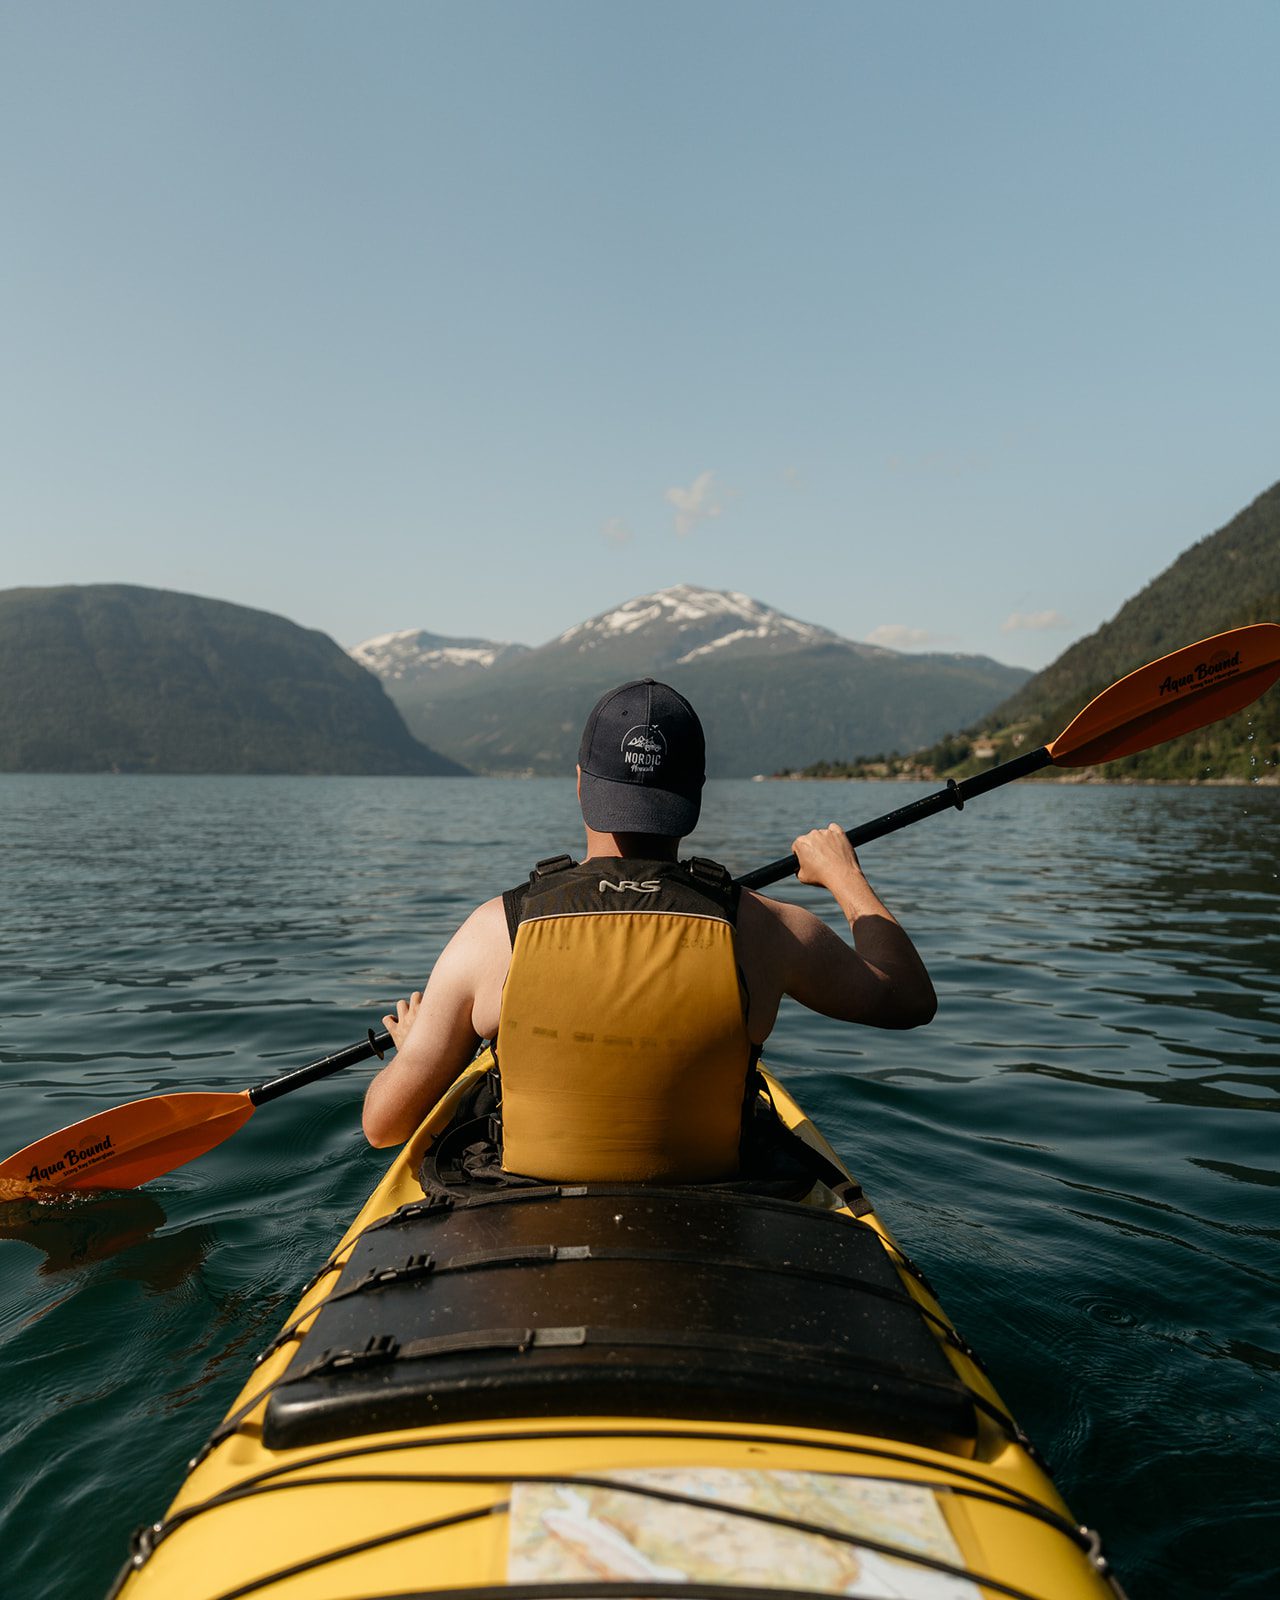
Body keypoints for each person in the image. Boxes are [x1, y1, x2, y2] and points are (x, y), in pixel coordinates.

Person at [362, 679, 936, 1178]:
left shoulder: (494, 931)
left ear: (583, 783)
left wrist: (420, 1052)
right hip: (714, 1209)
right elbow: (907, 997)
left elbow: (383, 1126)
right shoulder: (765, 927)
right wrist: (844, 876)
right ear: (696, 792)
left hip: (522, 1212)